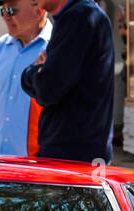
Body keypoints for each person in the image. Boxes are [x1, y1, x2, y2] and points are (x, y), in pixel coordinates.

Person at [20, 0, 115, 164]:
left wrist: (30, 73)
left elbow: (47, 89)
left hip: (72, 158)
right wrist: (39, 72)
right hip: (74, 154)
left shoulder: (80, 17)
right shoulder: (76, 16)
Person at [0, 0, 52, 157]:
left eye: (12, 11)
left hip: (40, 170)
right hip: (0, 166)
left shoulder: (56, 49)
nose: (5, 17)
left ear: (39, 10)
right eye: (3, 11)